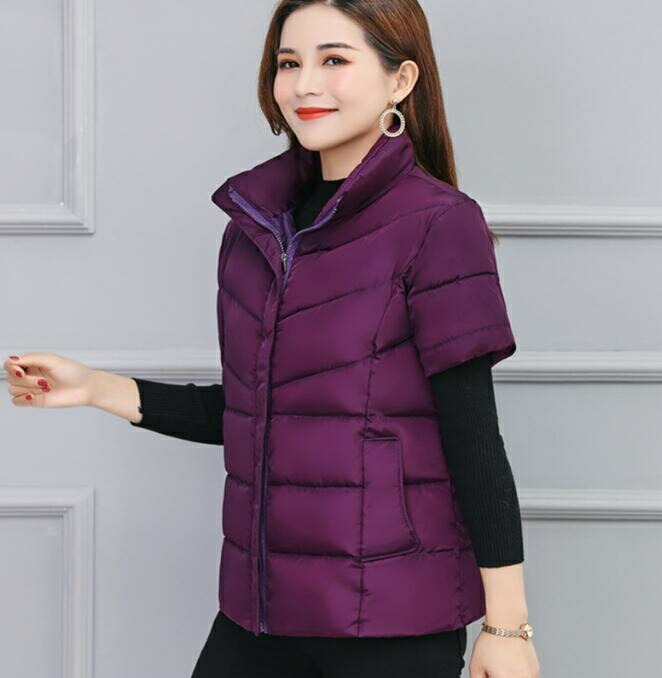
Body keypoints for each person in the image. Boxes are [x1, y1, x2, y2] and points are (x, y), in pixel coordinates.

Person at [4, 1, 540, 676]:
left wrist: (506, 626)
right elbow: (251, 414)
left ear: (400, 81)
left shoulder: (439, 224)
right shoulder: (254, 229)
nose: (304, 84)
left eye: (334, 59)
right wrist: (94, 388)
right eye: (289, 63)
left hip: (392, 621)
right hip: (259, 612)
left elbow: (474, 436)